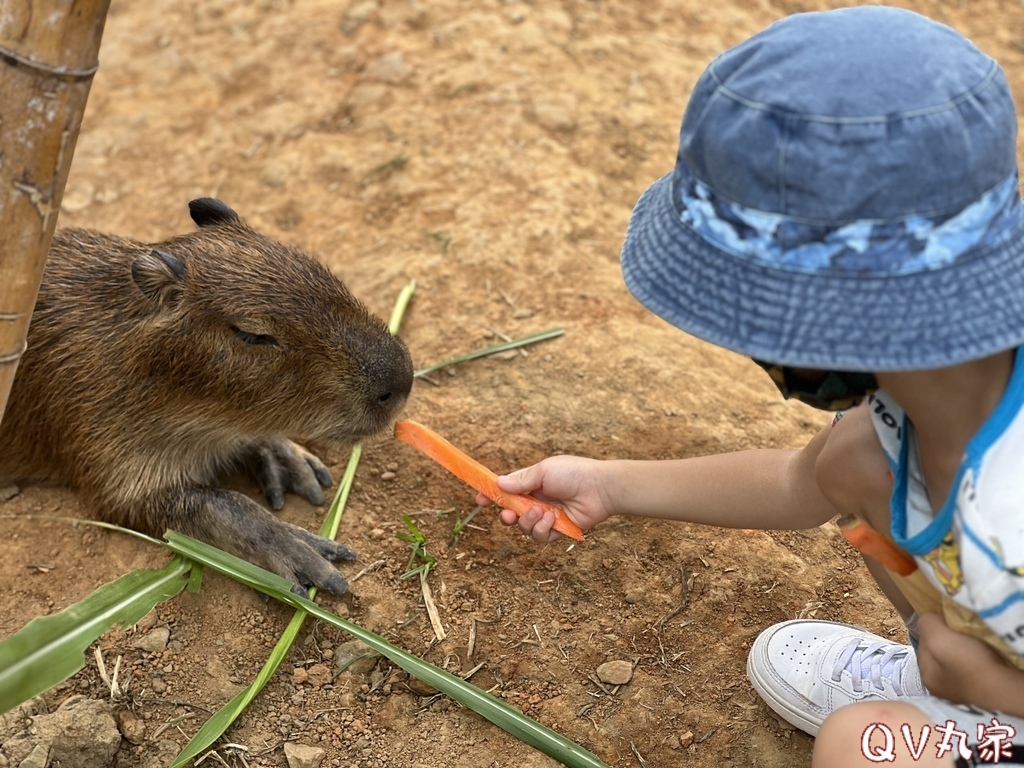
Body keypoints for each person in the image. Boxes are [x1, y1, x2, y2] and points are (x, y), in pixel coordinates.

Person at [477, 6, 1024, 766]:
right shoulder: (913, 404)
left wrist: (983, 682)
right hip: (979, 652)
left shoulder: (1013, 511)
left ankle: (955, 704)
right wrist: (604, 484)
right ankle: (946, 689)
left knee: (859, 747)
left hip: (997, 681)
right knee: (852, 462)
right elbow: (801, 482)